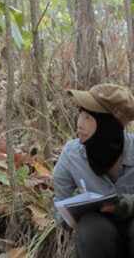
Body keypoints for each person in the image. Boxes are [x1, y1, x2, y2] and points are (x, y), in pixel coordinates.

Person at [53, 83, 134, 257]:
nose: (80, 124)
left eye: (88, 118)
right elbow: (59, 212)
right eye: (80, 115)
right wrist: (74, 204)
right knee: (91, 229)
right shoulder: (71, 155)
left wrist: (126, 204)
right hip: (97, 242)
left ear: (109, 123)